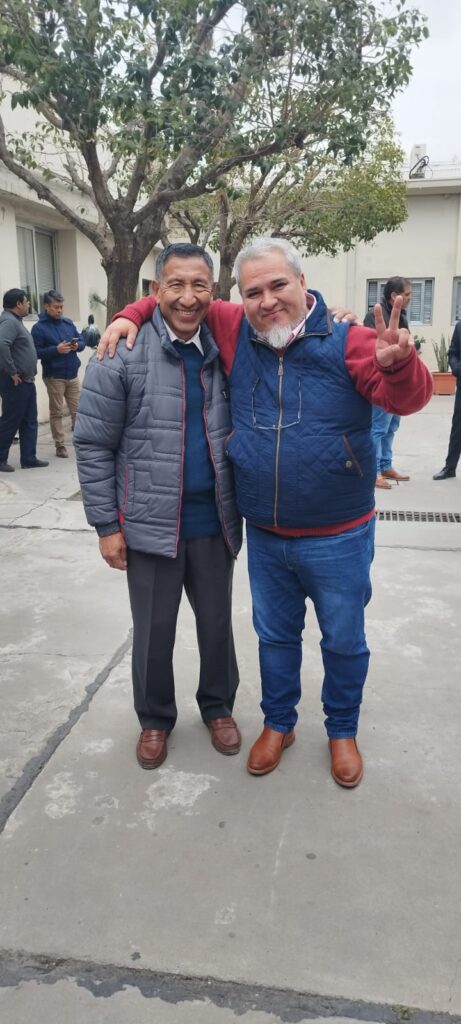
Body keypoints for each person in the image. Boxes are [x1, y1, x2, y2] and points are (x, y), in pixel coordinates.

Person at [101, 238, 433, 788]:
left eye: (279, 285)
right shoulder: (235, 329)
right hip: (267, 534)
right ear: (240, 298)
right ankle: (279, 724)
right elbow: (181, 298)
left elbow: (405, 399)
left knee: (343, 640)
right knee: (274, 639)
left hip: (339, 535)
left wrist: (401, 367)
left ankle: (342, 730)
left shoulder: (350, 339)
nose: (267, 300)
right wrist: (128, 314)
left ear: (303, 283)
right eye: (253, 291)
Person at [74, 244, 242, 770]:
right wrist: (106, 525)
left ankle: (218, 707)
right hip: (148, 525)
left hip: (214, 522)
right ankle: (154, 718)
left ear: (213, 292)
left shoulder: (228, 348)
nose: (187, 297)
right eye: (176, 285)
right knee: (153, 632)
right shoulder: (119, 352)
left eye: (199, 285)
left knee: (216, 626)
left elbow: (284, 310)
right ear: (155, 291)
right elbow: (93, 444)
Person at [364, 277, 412, 489]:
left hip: (398, 381)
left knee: (391, 426)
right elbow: (370, 351)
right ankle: (373, 472)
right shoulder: (375, 316)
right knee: (378, 428)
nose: (410, 299)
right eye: (407, 294)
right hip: (382, 382)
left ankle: (385, 465)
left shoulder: (401, 315)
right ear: (394, 296)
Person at [31, 290, 85, 459]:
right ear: (47, 306)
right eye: (56, 307)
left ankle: (82, 442)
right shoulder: (38, 328)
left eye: (61, 306)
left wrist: (78, 346)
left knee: (79, 410)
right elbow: (35, 353)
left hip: (72, 373)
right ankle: (60, 445)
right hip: (54, 376)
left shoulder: (68, 323)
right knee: (57, 412)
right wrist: (56, 350)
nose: (59, 310)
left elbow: (82, 340)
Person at [0, 288, 49, 473]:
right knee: (11, 420)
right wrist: (12, 371)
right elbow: (1, 344)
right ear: (18, 304)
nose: (29, 304)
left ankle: (29, 458)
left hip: (26, 381)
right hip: (15, 381)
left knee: (29, 420)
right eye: (26, 301)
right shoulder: (9, 322)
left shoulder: (16, 321)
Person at [433, 320, 461, 479]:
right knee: (458, 429)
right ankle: (450, 468)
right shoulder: (460, 326)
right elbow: (453, 352)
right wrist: (457, 368)